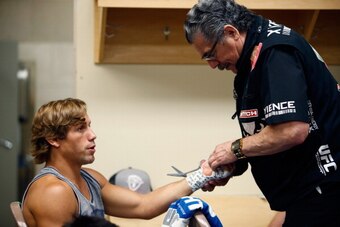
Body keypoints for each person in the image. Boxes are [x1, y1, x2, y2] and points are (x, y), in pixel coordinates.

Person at [184, 0, 340, 226]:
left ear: (231, 32)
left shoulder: (275, 53)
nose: (212, 64)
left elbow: (291, 130)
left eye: (211, 54)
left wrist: (235, 149)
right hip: (305, 193)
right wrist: (232, 164)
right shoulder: (253, 54)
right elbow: (266, 131)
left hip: (325, 190)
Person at [21, 98, 231, 227]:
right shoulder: (53, 192)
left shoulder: (89, 178)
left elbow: (143, 205)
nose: (93, 135)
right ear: (54, 139)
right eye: (80, 129)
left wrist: (202, 175)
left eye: (90, 126)